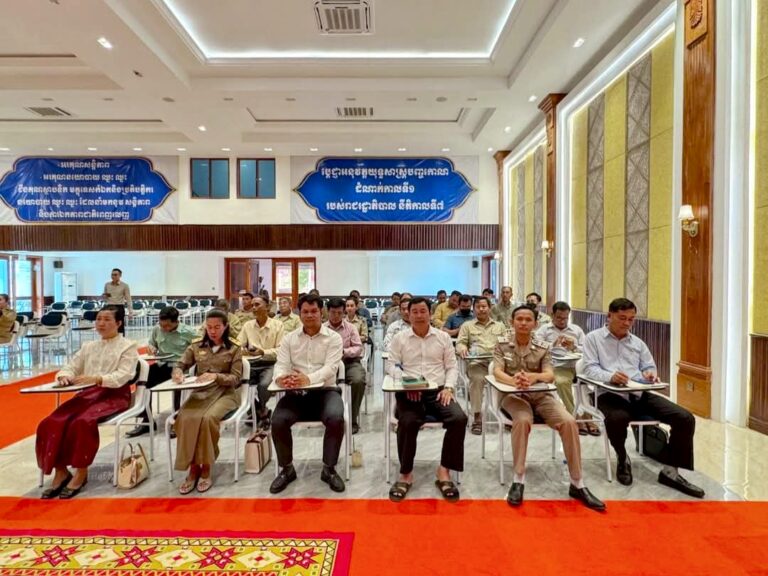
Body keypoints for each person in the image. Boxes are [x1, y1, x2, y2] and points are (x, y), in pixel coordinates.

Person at [582, 297, 704, 498]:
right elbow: (589, 369)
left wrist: (649, 375)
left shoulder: (637, 343)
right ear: (609, 316)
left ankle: (670, 471)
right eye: (622, 318)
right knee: (618, 418)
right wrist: (610, 376)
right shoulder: (593, 339)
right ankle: (622, 457)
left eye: (631, 319)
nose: (627, 323)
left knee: (684, 418)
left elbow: (649, 367)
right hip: (607, 393)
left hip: (637, 392)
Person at [493, 305, 605, 511]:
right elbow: (497, 371)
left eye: (528, 320)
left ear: (535, 324)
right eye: (519, 319)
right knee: (523, 420)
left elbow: (550, 374)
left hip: (541, 395)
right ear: (511, 322)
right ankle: (518, 478)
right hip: (512, 396)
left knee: (569, 421)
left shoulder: (543, 346)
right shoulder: (502, 344)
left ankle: (577, 482)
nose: (523, 323)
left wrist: (534, 377)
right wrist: (514, 380)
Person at [35, 305, 139, 499]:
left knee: (82, 422)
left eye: (107, 319)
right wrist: (64, 376)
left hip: (114, 395)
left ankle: (81, 472)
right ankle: (61, 471)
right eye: (99, 319)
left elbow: (124, 375)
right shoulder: (88, 347)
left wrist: (98, 379)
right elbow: (71, 366)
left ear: (118, 323)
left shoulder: (128, 346)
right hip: (88, 395)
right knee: (50, 422)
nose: (101, 323)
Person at [387, 297, 467, 502]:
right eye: (414, 311)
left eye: (423, 311)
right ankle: (406, 474)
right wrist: (408, 382)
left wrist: (449, 387)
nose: (419, 315)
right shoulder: (400, 338)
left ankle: (444, 470)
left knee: (458, 418)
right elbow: (391, 365)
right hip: (409, 391)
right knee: (408, 421)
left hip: (438, 390)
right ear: (408, 314)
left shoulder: (442, 337)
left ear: (430, 314)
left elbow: (452, 367)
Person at [269, 294, 345, 494]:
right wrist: (281, 378)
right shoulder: (289, 339)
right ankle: (287, 469)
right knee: (277, 420)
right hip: (297, 394)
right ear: (299, 313)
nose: (310, 315)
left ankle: (329, 469)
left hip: (326, 391)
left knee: (336, 418)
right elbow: (281, 365)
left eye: (314, 311)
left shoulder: (334, 338)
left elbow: (331, 368)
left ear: (322, 312)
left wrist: (307, 379)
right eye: (305, 311)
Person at [173, 309, 243, 494]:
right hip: (201, 393)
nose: (212, 331)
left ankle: (206, 467)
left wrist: (216, 376)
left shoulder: (234, 348)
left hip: (226, 394)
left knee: (208, 419)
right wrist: (178, 372)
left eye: (217, 327)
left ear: (225, 327)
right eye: (209, 327)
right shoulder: (197, 346)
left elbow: (236, 379)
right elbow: (181, 364)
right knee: (184, 418)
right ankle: (192, 467)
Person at [126, 306, 197, 438]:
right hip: (162, 364)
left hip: (180, 366)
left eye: (167, 326)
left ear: (176, 322)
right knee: (143, 380)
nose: (164, 328)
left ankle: (177, 421)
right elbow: (152, 344)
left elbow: (199, 349)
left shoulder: (188, 332)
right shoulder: (157, 329)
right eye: (161, 324)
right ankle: (146, 420)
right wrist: (151, 348)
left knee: (178, 386)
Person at [535, 301, 599, 436]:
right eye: (559, 317)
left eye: (565, 318)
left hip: (577, 365)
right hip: (558, 366)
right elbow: (537, 349)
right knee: (562, 382)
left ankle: (588, 416)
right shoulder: (544, 330)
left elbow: (587, 349)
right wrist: (553, 345)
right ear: (552, 315)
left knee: (588, 384)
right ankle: (575, 416)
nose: (563, 321)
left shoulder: (576, 330)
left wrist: (573, 347)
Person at [455, 296, 506, 434]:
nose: (481, 309)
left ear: (489, 308)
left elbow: (506, 343)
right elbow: (460, 343)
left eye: (484, 306)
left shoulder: (500, 326)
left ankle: (506, 415)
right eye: (478, 307)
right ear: (474, 309)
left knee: (509, 380)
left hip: (497, 364)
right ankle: (477, 417)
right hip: (477, 363)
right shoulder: (467, 326)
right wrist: (462, 348)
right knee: (477, 380)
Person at [238, 295, 284, 429]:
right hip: (249, 364)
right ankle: (260, 411)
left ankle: (260, 410)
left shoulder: (278, 325)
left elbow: (281, 350)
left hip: (269, 363)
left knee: (264, 386)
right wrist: (243, 350)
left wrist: (262, 352)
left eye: (257, 305)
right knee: (234, 384)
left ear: (267, 307)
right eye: (252, 305)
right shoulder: (248, 325)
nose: (253, 308)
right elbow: (238, 345)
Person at [326, 298, 366, 434]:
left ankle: (352, 419)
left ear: (344, 313)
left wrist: (344, 352)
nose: (336, 316)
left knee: (358, 380)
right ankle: (328, 417)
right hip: (327, 364)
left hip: (349, 362)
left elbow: (358, 347)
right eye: (333, 312)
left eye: (339, 313)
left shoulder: (351, 328)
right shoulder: (322, 329)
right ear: (327, 312)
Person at [102, 268, 131, 335]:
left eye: (115, 275)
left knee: (120, 327)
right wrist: (104, 297)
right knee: (109, 326)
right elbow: (105, 298)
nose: (113, 276)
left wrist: (130, 311)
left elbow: (128, 299)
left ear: (120, 275)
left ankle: (120, 341)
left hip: (119, 307)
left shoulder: (125, 285)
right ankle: (109, 340)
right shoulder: (107, 285)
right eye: (112, 275)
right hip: (109, 307)